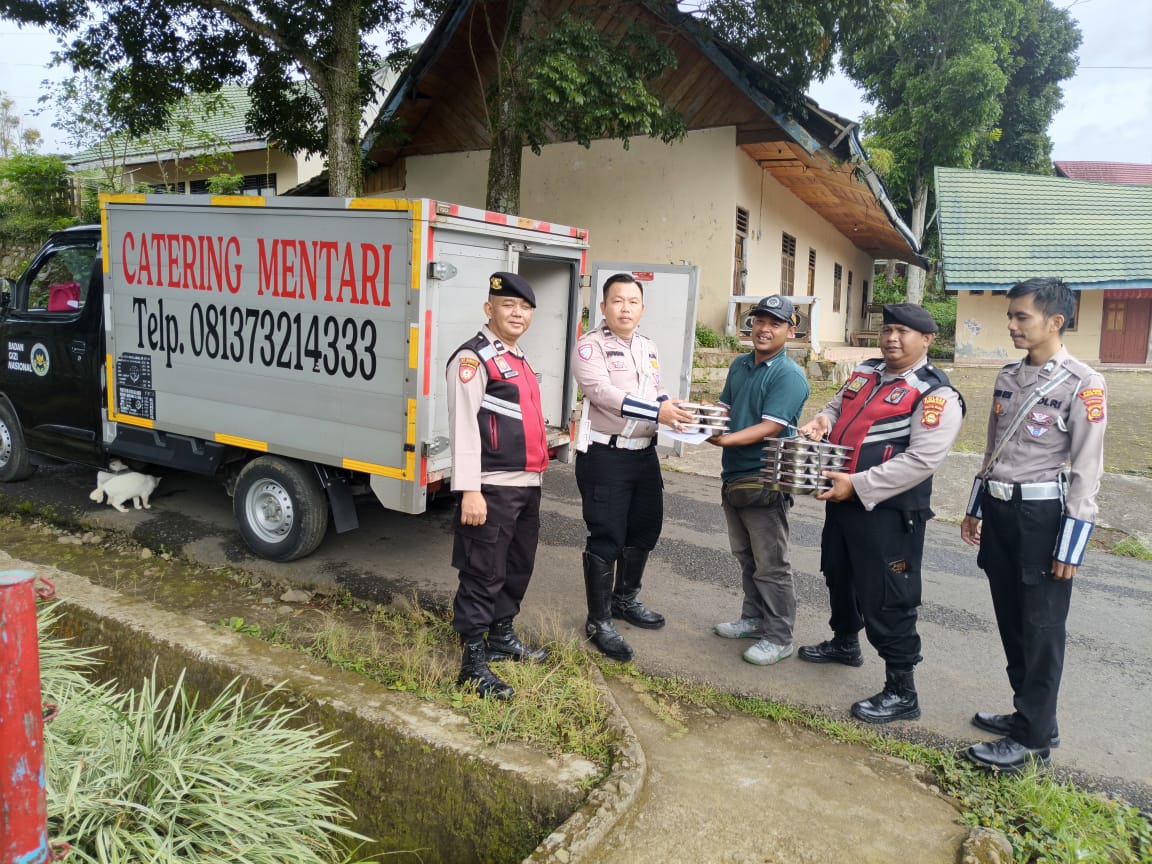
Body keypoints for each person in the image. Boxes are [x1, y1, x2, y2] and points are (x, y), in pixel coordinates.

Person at [960, 278, 1106, 772]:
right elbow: (991, 450)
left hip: (1043, 519)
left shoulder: (1083, 383)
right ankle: (1033, 715)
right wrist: (975, 506)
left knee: (1042, 629)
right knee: (1011, 619)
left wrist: (1072, 545)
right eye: (1012, 316)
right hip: (1001, 511)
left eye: (1022, 316)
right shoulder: (1007, 376)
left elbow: (1088, 469)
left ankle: (1032, 740)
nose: (1012, 324)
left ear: (1055, 322)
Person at [797, 303, 964, 723]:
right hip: (841, 499)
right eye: (888, 329)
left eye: (904, 331)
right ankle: (844, 643)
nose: (892, 338)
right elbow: (837, 407)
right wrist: (821, 420)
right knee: (840, 574)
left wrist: (858, 484)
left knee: (889, 595)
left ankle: (902, 689)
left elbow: (922, 461)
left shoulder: (935, 393)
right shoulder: (866, 371)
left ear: (927, 340)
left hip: (888, 512)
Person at [572, 273, 695, 661]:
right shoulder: (589, 348)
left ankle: (625, 600)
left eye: (633, 301)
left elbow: (654, 390)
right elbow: (605, 395)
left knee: (644, 529)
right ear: (604, 306)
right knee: (607, 535)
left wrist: (677, 410)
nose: (625, 308)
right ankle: (599, 620)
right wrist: (659, 410)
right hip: (605, 455)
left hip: (644, 454)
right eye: (617, 301)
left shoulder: (646, 346)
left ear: (642, 308)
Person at [446, 271, 550, 700]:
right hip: (490, 487)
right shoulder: (473, 359)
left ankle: (502, 638)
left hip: (526, 485)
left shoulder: (518, 359)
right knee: (482, 572)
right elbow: (464, 428)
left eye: (525, 308)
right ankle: (472, 661)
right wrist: (470, 489)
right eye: (509, 305)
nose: (518, 314)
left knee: (515, 567)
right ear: (489, 309)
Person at [707, 295, 809, 666]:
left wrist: (725, 438)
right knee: (746, 556)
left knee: (772, 563)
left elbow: (773, 426)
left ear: (790, 330)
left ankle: (779, 636)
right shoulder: (741, 365)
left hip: (765, 478)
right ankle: (753, 619)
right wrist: (704, 420)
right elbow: (726, 407)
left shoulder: (788, 375)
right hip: (733, 474)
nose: (764, 329)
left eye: (775, 323)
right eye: (759, 321)